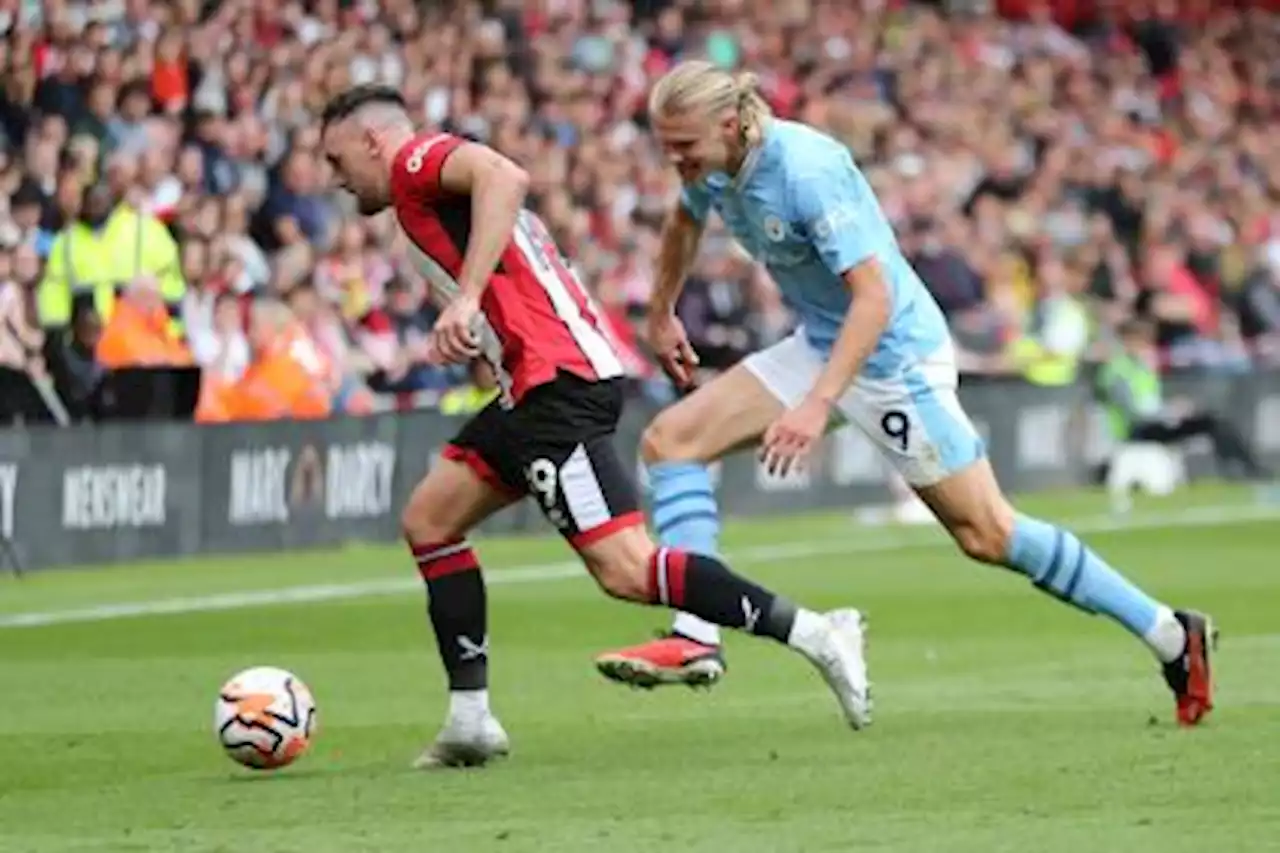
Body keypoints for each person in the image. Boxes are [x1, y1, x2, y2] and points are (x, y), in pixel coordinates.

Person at [592, 61, 1215, 728]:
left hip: (893, 356)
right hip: (823, 343)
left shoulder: (807, 169)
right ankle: (696, 633)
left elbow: (874, 297)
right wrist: (660, 312)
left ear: (730, 122)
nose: (674, 159)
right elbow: (683, 224)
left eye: (683, 145)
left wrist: (816, 403)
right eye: (666, 146)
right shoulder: (708, 167)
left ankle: (1172, 635)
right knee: (671, 442)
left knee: (988, 533)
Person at [318, 84, 870, 769]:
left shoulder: (413, 163)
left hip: (557, 381)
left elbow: (504, 175)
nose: (334, 179)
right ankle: (470, 721)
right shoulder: (417, 190)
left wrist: (465, 299)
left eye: (338, 160)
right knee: (430, 519)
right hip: (537, 382)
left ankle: (820, 633)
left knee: (627, 570)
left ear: (375, 141)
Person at [1097, 318, 1267, 480]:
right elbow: (1133, 412)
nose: (1145, 346)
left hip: (1154, 422)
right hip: (1135, 430)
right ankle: (1243, 469)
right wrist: (1168, 412)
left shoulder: (1141, 367)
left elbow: (1149, 402)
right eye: (1141, 341)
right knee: (1209, 423)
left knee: (1214, 421)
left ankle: (1241, 466)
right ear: (1127, 341)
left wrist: (1172, 409)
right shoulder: (1117, 371)